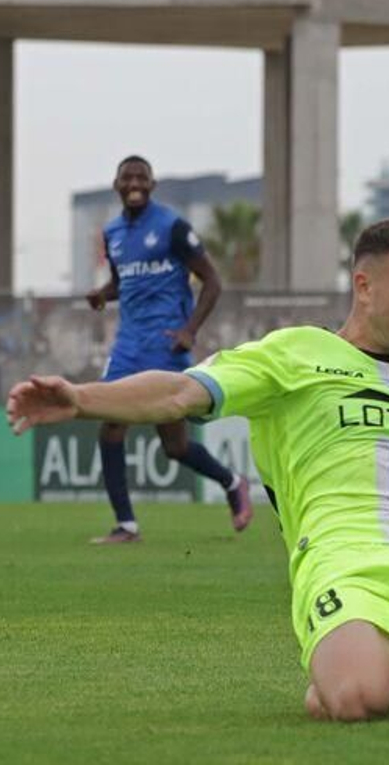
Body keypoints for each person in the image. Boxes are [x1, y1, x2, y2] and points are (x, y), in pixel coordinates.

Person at [8, 219, 389, 723]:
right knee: (360, 699)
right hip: (344, 567)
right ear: (364, 285)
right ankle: (345, 674)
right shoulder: (292, 355)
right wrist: (83, 398)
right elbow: (177, 394)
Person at [84, 154, 251, 543]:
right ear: (117, 185)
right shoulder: (112, 233)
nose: (134, 183)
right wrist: (103, 294)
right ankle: (126, 525)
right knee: (110, 426)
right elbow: (123, 282)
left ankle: (231, 481)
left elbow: (212, 281)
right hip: (127, 345)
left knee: (174, 446)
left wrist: (190, 330)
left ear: (152, 184)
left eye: (142, 177)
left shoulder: (172, 227)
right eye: (128, 178)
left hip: (165, 344)